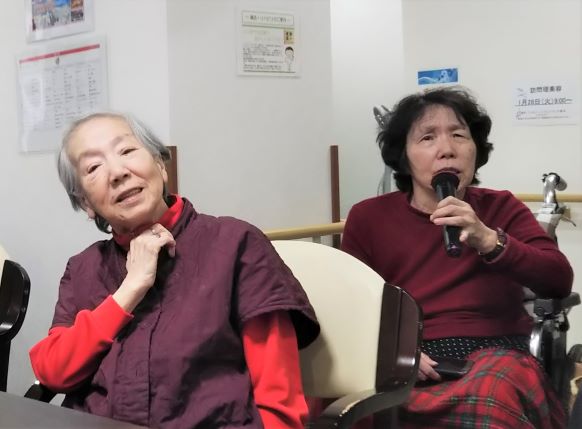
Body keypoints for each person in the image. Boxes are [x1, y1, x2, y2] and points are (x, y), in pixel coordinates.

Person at [29, 112, 320, 429]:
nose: (117, 172)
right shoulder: (83, 268)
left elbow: (280, 408)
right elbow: (53, 372)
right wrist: (130, 289)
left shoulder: (236, 244)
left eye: (127, 151)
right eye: (93, 167)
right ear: (86, 203)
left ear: (160, 165)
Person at [341, 86, 573, 428]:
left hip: (496, 354)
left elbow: (558, 279)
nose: (447, 150)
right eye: (428, 138)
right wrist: (393, 352)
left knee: (491, 399)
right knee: (355, 407)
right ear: (403, 156)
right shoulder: (368, 218)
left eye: (459, 135)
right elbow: (351, 306)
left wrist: (490, 240)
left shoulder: (501, 207)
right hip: (408, 359)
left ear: (476, 150)